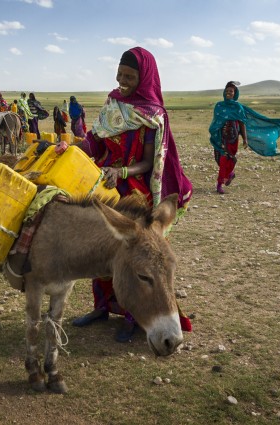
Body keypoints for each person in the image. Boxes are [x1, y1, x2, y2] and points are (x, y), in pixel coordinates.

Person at [73, 47, 193, 342]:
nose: (122, 80)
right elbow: (95, 143)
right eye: (120, 74)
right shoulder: (113, 103)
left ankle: (132, 318)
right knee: (99, 248)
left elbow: (150, 162)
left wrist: (122, 172)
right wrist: (72, 147)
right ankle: (101, 306)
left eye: (129, 76)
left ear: (144, 77)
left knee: (135, 257)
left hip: (135, 191)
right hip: (105, 185)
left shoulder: (153, 115)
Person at [209, 81, 280, 194]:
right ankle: (225, 178)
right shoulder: (219, 106)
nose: (228, 93)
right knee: (221, 159)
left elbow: (242, 123)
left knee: (229, 158)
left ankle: (223, 179)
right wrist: (214, 131)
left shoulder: (238, 107)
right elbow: (216, 121)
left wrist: (245, 139)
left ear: (235, 93)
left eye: (231, 91)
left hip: (233, 137)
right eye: (226, 91)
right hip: (221, 137)